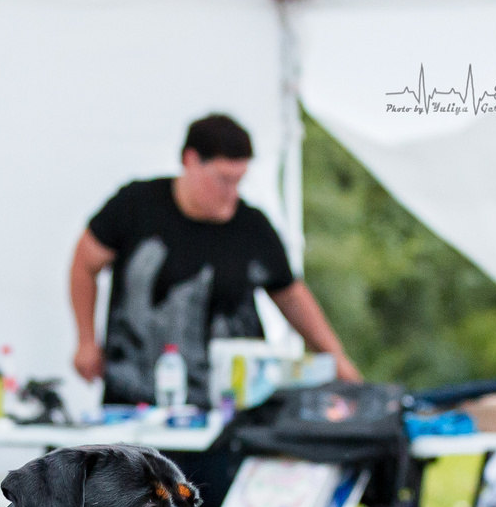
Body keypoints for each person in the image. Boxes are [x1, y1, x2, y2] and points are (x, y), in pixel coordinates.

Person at [69, 113, 359, 407]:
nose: (232, 193)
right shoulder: (135, 205)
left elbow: (291, 296)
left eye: (239, 181)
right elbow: (84, 264)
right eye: (223, 180)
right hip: (136, 401)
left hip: (228, 406)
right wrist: (85, 340)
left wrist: (335, 358)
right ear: (191, 160)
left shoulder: (252, 227)